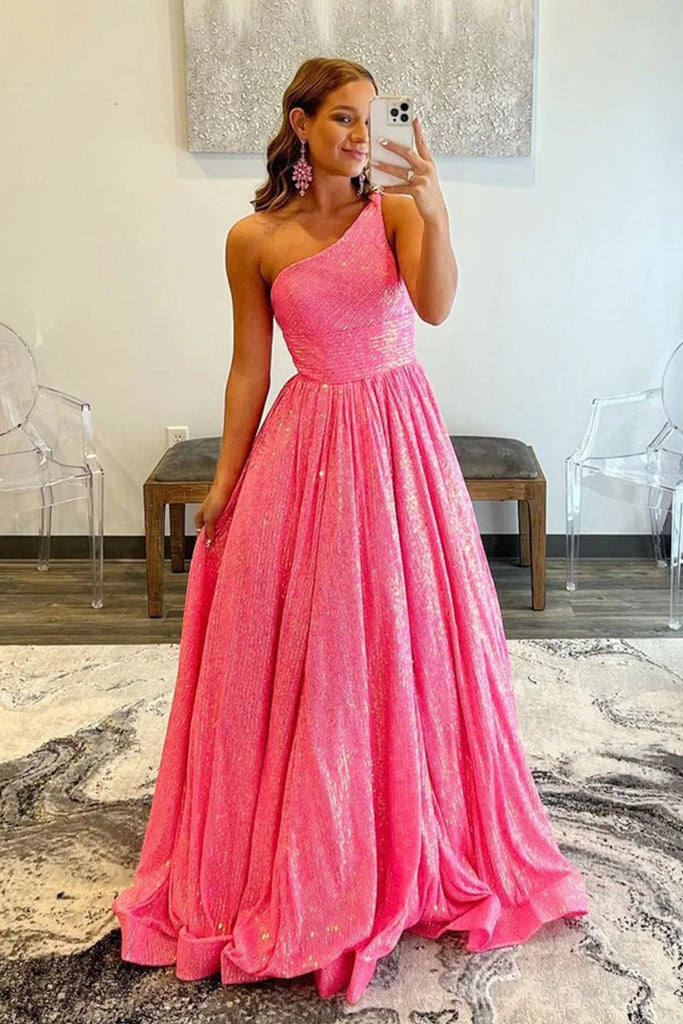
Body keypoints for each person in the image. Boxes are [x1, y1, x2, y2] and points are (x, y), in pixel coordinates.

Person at [111, 56, 590, 1006]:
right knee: (305, 645)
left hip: (396, 440)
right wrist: (225, 478)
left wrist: (436, 208)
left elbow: (434, 307)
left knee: (404, 636)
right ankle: (310, 821)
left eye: (368, 119)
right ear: (299, 123)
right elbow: (249, 367)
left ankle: (403, 816)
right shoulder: (252, 238)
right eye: (341, 118)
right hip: (303, 442)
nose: (360, 136)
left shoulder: (397, 212)